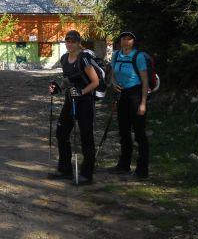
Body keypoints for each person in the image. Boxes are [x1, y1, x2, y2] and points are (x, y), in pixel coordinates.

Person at [48, 30, 99, 185]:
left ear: (78, 43)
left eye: (72, 41)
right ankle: (65, 170)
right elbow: (66, 80)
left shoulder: (83, 59)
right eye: (67, 41)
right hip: (70, 101)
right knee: (61, 132)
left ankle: (87, 175)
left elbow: (95, 82)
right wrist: (58, 88)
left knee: (86, 137)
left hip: (85, 102)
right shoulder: (64, 59)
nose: (69, 44)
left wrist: (82, 92)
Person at [107, 31, 149, 179]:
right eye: (123, 39)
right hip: (122, 95)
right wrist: (114, 84)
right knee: (123, 131)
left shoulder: (139, 57)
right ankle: (124, 165)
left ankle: (142, 170)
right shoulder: (116, 55)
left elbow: (145, 81)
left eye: (129, 39)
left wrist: (143, 103)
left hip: (136, 94)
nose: (126, 41)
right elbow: (112, 74)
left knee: (139, 134)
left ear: (133, 41)